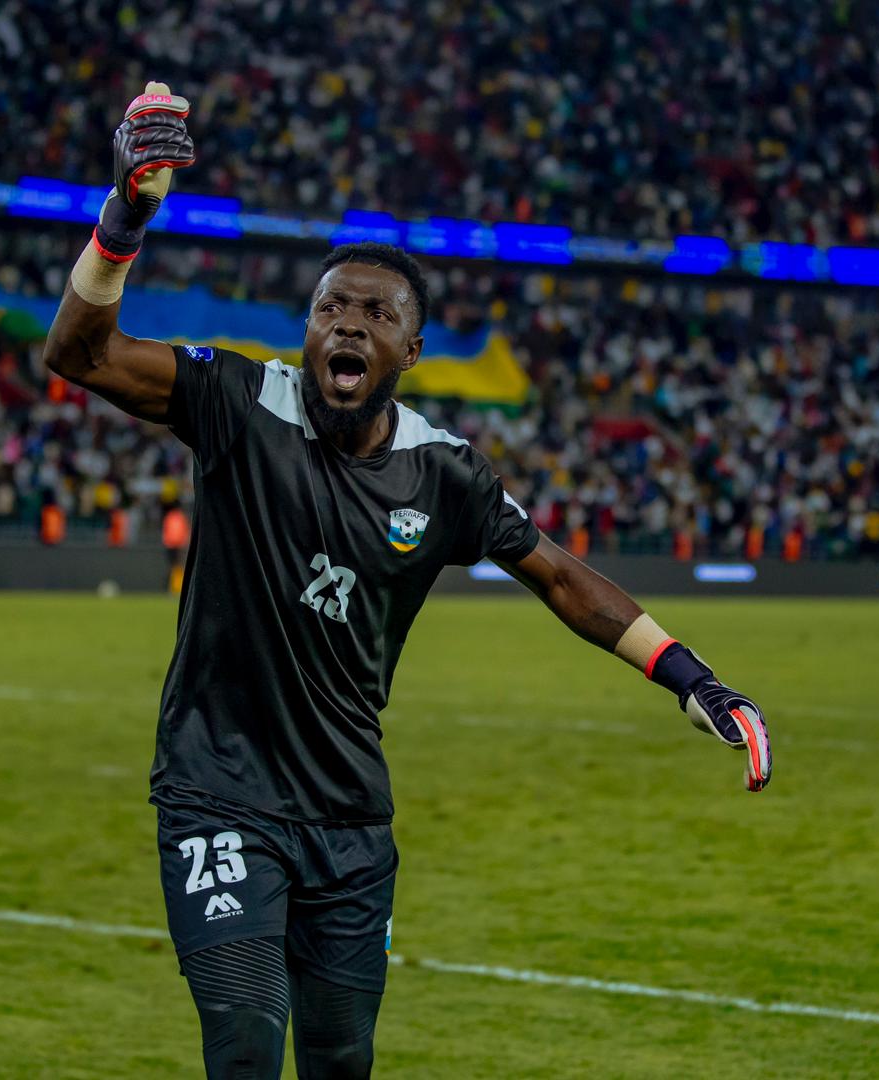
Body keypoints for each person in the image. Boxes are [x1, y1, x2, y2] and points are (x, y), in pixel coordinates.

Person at [44, 83, 772, 1080]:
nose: (346, 325)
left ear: (411, 350)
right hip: (219, 794)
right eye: (329, 309)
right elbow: (77, 353)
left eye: (375, 313)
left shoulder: (445, 472)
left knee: (341, 1059)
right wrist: (125, 216)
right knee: (246, 1041)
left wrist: (692, 677)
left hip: (350, 819)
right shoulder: (238, 401)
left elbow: (560, 579)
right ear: (308, 332)